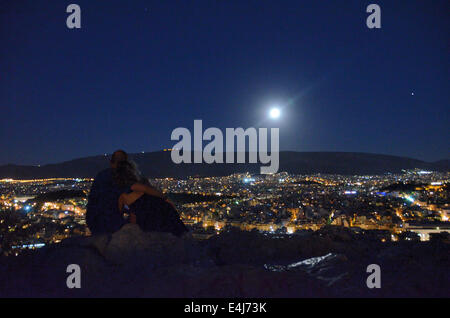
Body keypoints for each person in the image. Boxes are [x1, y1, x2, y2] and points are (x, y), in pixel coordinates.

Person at [114, 160, 188, 237]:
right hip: (160, 213)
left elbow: (127, 212)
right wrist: (167, 199)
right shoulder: (135, 186)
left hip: (153, 217)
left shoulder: (123, 195)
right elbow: (154, 193)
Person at [86, 150, 131, 234]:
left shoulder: (101, 175)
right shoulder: (121, 178)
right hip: (110, 223)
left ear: (111, 162)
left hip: (94, 222)